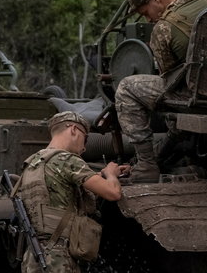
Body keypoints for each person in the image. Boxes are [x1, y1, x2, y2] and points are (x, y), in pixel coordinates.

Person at [115, 0, 207, 182]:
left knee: (127, 88)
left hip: (200, 95)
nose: (149, 19)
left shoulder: (163, 29)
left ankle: (146, 165)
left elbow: (169, 80)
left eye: (145, 13)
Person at [15, 111, 128, 273]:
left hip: (34, 256)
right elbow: (113, 193)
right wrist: (111, 174)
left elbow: (61, 186)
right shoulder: (67, 160)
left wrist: (100, 175)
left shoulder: (32, 163)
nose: (84, 147)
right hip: (58, 258)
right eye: (85, 138)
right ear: (73, 129)